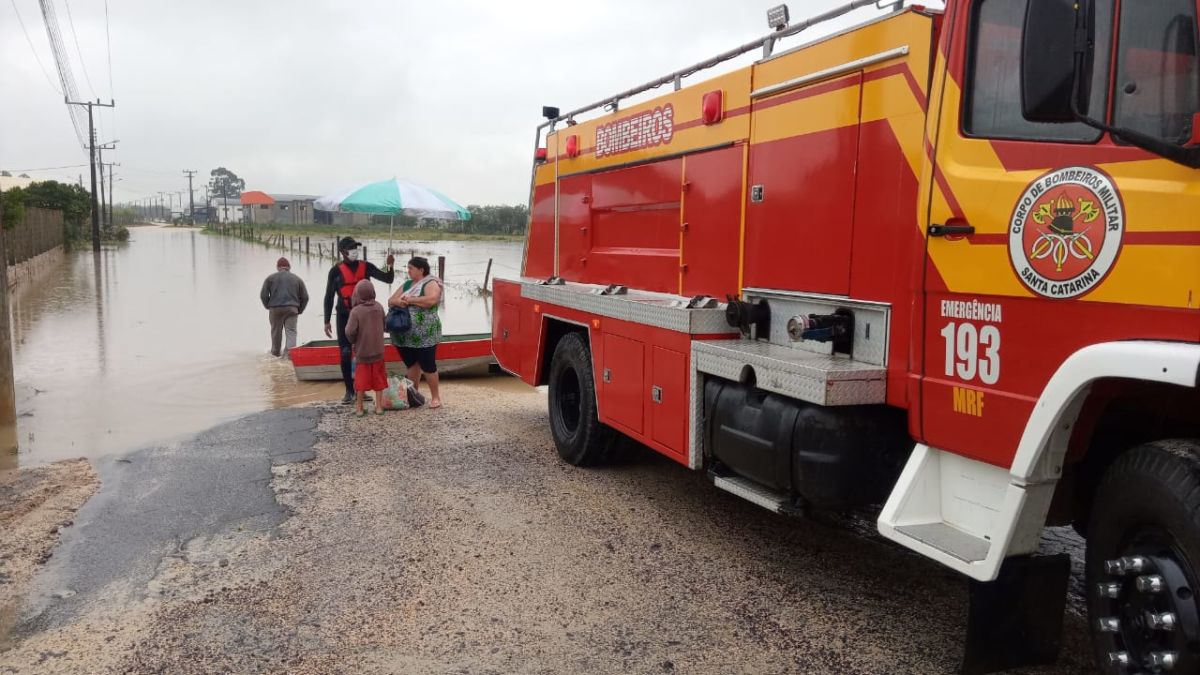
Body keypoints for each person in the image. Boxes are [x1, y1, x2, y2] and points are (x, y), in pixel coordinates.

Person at [323, 237, 395, 404]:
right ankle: (349, 391)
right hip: (343, 315)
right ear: (342, 252)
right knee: (346, 352)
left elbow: (388, 279)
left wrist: (390, 265)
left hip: (365, 315)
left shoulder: (366, 267)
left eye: (355, 247)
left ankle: (361, 390)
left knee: (363, 353)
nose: (354, 251)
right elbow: (328, 297)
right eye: (350, 248)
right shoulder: (335, 271)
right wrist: (326, 321)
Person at [388, 256, 443, 408]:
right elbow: (391, 300)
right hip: (405, 335)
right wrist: (399, 301)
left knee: (428, 365)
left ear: (421, 269)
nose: (408, 271)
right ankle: (414, 395)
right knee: (411, 364)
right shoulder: (407, 284)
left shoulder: (431, 283)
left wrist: (411, 300)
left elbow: (432, 300)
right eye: (408, 268)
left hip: (425, 334)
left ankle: (436, 397)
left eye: (411, 268)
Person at [345, 279, 388, 417]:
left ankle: (359, 408)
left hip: (362, 352)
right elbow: (385, 325)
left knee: (361, 381)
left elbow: (349, 331)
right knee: (379, 379)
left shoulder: (356, 311)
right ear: (373, 292)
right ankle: (379, 407)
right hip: (378, 352)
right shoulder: (379, 307)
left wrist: (353, 341)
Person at [260, 257, 309, 357]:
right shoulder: (297, 279)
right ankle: (289, 356)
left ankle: (275, 353)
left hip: (275, 308)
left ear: (278, 267)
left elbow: (263, 295)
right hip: (292, 309)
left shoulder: (270, 278)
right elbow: (305, 297)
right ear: (289, 267)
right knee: (291, 331)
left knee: (276, 331)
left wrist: (268, 306)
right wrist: (300, 310)